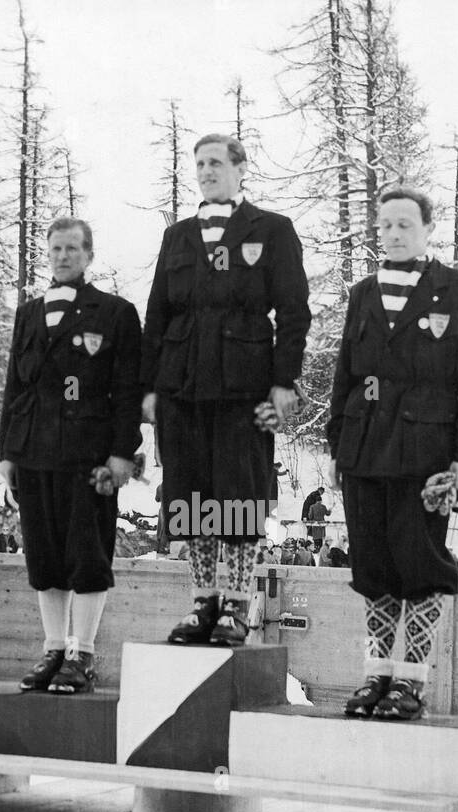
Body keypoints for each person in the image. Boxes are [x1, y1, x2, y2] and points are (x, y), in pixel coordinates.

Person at [328, 184, 458, 721]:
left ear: (427, 228)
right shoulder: (362, 294)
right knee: (374, 565)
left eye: (406, 224)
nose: (395, 233)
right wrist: (337, 445)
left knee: (419, 563)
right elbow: (346, 377)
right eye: (386, 225)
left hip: (427, 457)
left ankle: (412, 683)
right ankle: (377, 676)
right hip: (363, 451)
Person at [142, 132, 311, 647]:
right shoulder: (178, 238)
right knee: (191, 497)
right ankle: (202, 602)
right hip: (183, 389)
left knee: (238, 496)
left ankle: (236, 606)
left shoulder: (273, 231)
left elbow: (294, 310)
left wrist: (283, 383)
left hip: (245, 390)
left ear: (241, 170)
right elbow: (157, 317)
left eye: (217, 162)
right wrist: (149, 389)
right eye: (200, 164)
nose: (207, 171)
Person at [0, 216, 142, 694]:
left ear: (89, 255)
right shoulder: (29, 313)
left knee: (86, 555)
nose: (63, 256)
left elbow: (126, 392)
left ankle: (83, 654)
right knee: (44, 557)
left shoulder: (115, 313)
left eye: (72, 249)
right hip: (34, 454)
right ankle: (54, 648)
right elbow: (15, 388)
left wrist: (123, 453)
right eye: (56, 248)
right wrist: (8, 451)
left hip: (89, 458)